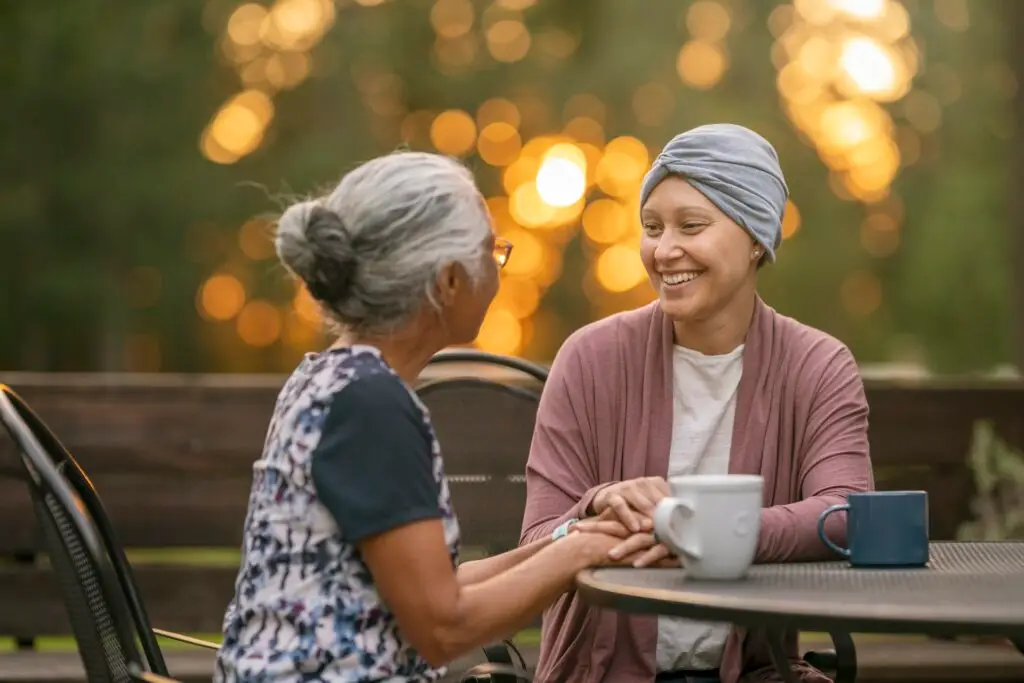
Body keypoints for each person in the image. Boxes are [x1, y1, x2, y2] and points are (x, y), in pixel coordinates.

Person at [213, 151, 635, 683]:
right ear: (449, 281)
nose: (499, 268)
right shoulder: (370, 408)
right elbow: (442, 628)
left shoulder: (334, 381)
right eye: (492, 252)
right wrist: (581, 552)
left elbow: (439, 586)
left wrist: (577, 536)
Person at [520, 124, 874, 683]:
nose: (664, 251)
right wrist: (598, 504)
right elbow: (537, 542)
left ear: (757, 237)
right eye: (652, 228)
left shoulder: (817, 365)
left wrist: (710, 534)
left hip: (757, 672)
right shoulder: (589, 358)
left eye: (691, 226)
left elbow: (847, 512)